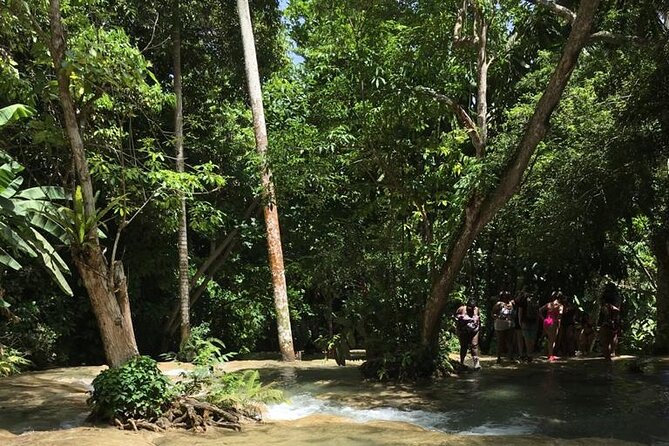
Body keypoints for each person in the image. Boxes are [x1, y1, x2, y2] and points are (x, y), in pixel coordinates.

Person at [455, 299, 481, 370]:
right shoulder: (461, 309)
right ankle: (462, 362)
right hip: (463, 330)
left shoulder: (476, 309)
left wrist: (478, 328)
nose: (472, 309)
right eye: (470, 307)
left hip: (474, 330)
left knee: (474, 345)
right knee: (464, 346)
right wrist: (458, 330)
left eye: (473, 307)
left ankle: (476, 363)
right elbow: (456, 319)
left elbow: (479, 319)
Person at [598, 284, 621, 360]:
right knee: (611, 337)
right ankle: (610, 353)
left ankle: (608, 355)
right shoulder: (617, 298)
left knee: (606, 339)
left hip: (610, 321)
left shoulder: (610, 302)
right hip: (612, 320)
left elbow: (616, 310)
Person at [540, 291, 564, 362]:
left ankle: (550, 354)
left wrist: (543, 319)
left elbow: (539, 310)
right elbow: (559, 316)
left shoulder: (549, 304)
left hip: (546, 321)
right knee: (552, 340)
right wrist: (558, 325)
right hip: (553, 322)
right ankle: (550, 355)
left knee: (549, 339)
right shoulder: (560, 306)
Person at [492, 291, 514, 364]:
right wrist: (497, 317)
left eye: (507, 296)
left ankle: (510, 357)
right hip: (500, 324)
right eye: (504, 296)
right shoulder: (499, 304)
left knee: (509, 341)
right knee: (500, 342)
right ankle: (498, 358)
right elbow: (493, 313)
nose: (506, 297)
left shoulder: (511, 304)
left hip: (509, 324)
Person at [517, 291, 540, 362]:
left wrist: (520, 321)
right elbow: (537, 313)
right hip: (533, 322)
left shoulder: (523, 301)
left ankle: (529, 354)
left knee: (527, 339)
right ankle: (530, 354)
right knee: (532, 339)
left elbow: (520, 312)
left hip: (525, 322)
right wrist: (537, 322)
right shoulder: (535, 301)